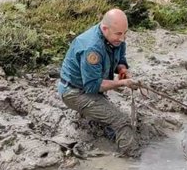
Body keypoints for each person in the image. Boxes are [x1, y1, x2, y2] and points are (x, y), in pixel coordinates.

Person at [57, 8, 141, 157]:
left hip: (90, 87)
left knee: (112, 118)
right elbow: (92, 86)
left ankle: (101, 123)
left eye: (125, 33)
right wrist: (122, 83)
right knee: (122, 121)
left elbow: (120, 59)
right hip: (74, 92)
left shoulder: (115, 38)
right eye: (119, 34)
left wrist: (123, 70)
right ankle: (131, 160)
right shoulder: (92, 48)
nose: (122, 38)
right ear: (104, 28)